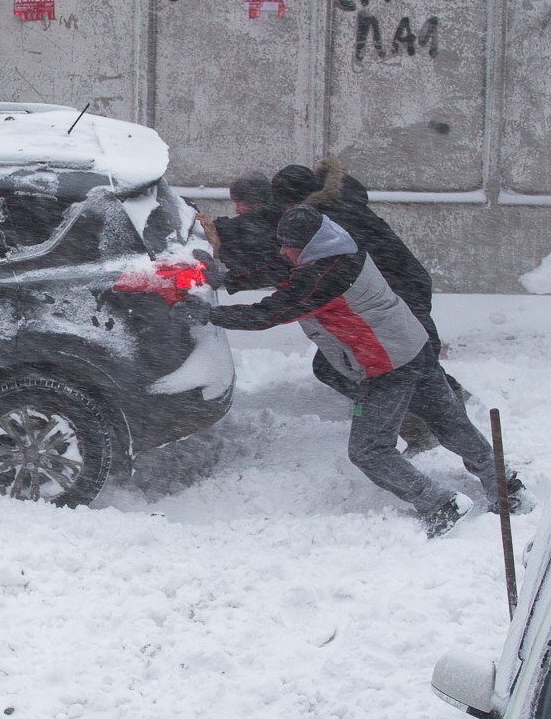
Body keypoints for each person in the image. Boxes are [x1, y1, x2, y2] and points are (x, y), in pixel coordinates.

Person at [175, 205, 526, 537]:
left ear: (311, 245)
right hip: (414, 348)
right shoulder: (338, 251)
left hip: (388, 367)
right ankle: (506, 488)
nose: (283, 252)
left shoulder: (326, 276)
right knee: (452, 425)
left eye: (290, 246)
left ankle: (441, 505)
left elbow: (270, 313)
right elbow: (284, 272)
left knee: (369, 450)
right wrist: (225, 279)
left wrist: (209, 314)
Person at [271, 159, 452, 455]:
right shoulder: (338, 203)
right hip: (403, 284)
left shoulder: (329, 221)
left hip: (398, 292)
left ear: (293, 202)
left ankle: (425, 425)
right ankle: (440, 412)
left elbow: (333, 269)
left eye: (283, 208)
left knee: (376, 366)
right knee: (412, 363)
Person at [198, 172, 291, 293]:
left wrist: (225, 277)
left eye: (239, 204)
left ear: (256, 205)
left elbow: (269, 268)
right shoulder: (274, 220)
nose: (236, 210)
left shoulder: (267, 225)